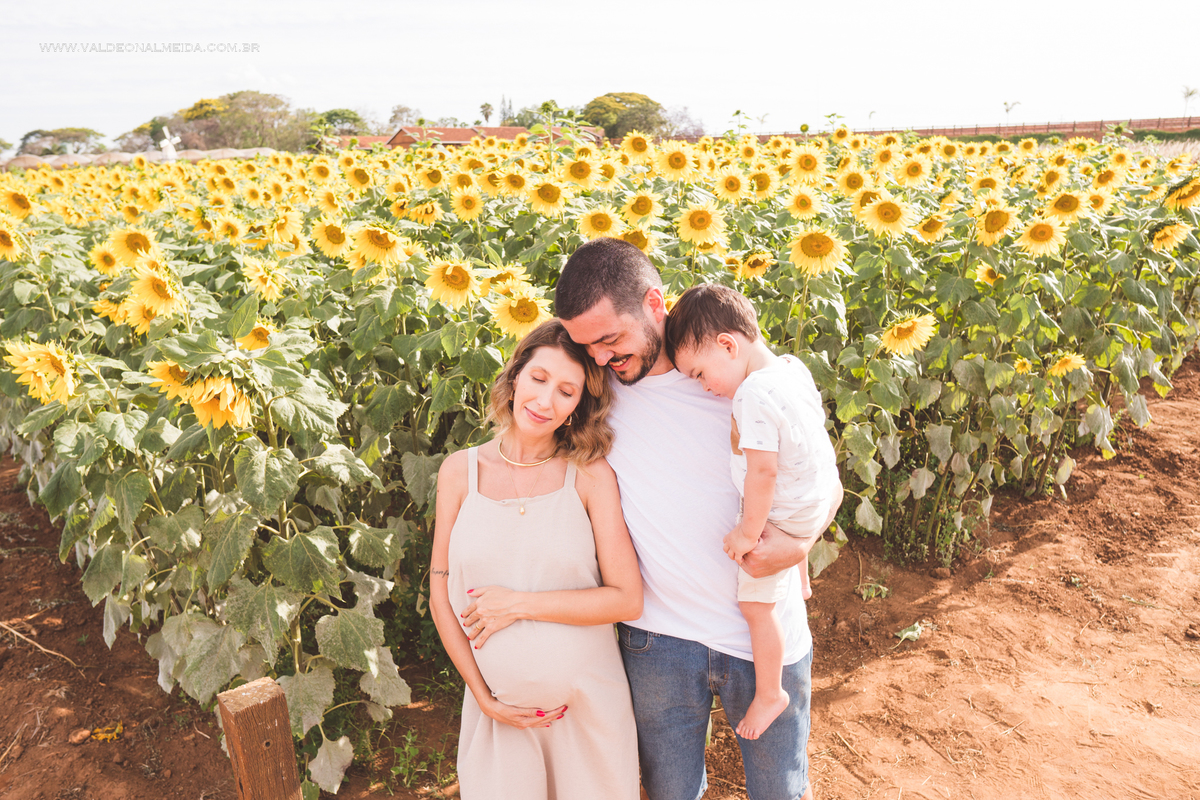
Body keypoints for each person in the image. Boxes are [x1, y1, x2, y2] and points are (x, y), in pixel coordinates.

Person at [557, 237, 818, 800]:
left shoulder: (733, 376)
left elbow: (819, 470)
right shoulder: (594, 391)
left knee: (781, 792)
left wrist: (803, 543)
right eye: (588, 347)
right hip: (660, 640)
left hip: (767, 634)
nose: (601, 358)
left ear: (655, 304)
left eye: (611, 339)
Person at [429, 319, 643, 800]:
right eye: (539, 379)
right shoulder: (459, 473)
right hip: (500, 721)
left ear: (577, 408)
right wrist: (483, 698)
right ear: (515, 377)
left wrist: (520, 604)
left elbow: (626, 599)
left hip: (589, 714)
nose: (546, 401)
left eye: (566, 392)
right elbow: (440, 593)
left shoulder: (589, 476)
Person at [664, 284, 843, 740]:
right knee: (783, 552)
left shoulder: (751, 395)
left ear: (728, 345)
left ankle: (769, 693)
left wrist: (746, 534)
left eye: (701, 373)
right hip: (817, 494)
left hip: (787, 513)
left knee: (755, 604)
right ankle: (798, 572)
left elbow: (762, 474)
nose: (705, 386)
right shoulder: (790, 368)